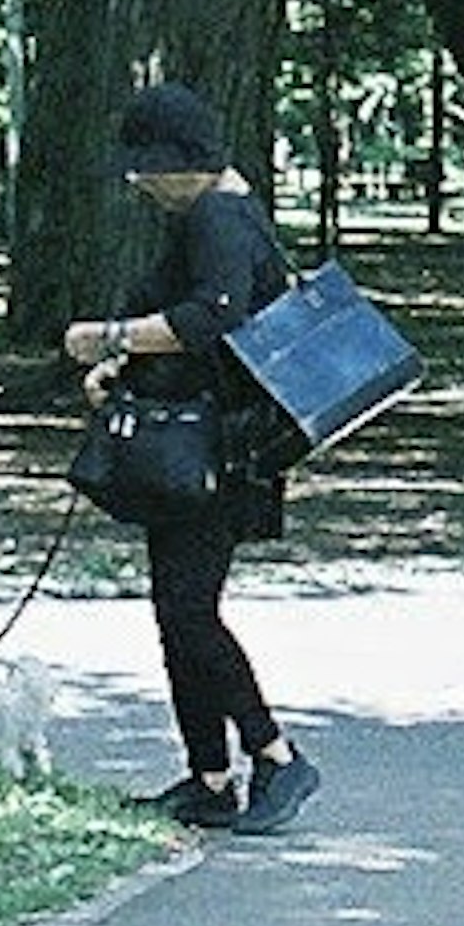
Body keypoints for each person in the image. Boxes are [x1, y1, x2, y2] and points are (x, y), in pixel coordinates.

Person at [64, 75, 318, 833]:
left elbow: (210, 319)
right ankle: (208, 776)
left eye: (146, 167)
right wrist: (128, 369)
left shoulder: (217, 216)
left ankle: (274, 756)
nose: (138, 183)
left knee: (191, 612)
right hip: (202, 439)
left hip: (219, 450)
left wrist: (106, 338)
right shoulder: (224, 213)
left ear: (184, 160)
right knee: (177, 613)